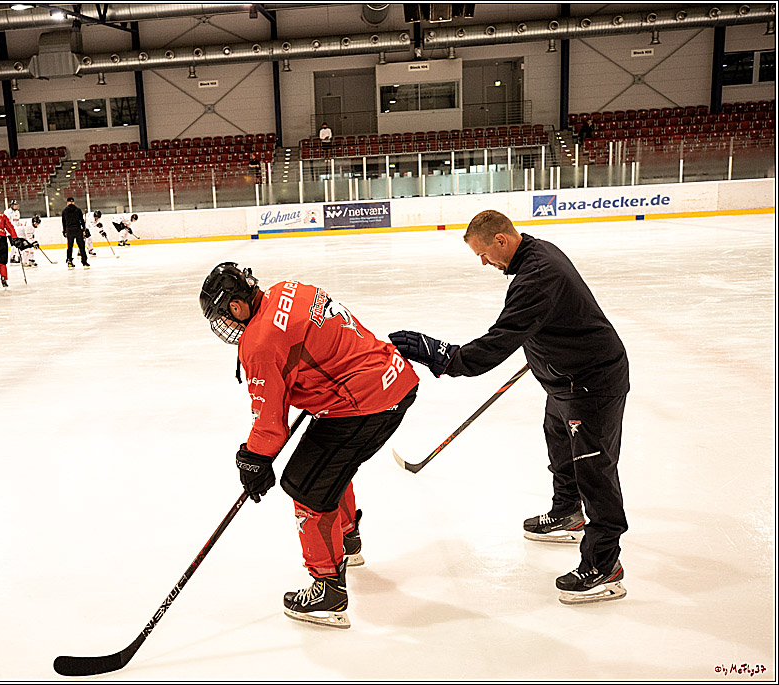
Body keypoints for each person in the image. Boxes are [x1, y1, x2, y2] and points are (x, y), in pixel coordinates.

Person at [388, 209, 629, 606]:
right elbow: (542, 321)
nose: (484, 263)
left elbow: (500, 340)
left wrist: (445, 357)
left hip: (591, 384)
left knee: (594, 470)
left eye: (484, 254)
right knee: (559, 446)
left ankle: (605, 565)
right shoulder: (535, 254)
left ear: (501, 240)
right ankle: (568, 511)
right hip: (565, 379)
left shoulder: (537, 276)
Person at [199, 262, 420, 629]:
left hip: (364, 403)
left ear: (236, 306)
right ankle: (347, 540)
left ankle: (327, 589)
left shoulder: (259, 341)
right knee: (329, 466)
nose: (226, 324)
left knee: (305, 485)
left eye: (223, 315)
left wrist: (253, 462)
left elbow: (269, 426)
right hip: (389, 379)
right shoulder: (288, 288)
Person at [61, 196, 88, 269]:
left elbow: (64, 222)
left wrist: (64, 231)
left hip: (69, 230)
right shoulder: (78, 210)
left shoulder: (64, 211)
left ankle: (69, 260)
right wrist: (84, 229)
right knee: (81, 246)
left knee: (70, 246)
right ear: (73, 202)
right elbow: (82, 220)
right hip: (77, 229)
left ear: (67, 203)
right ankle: (84, 262)